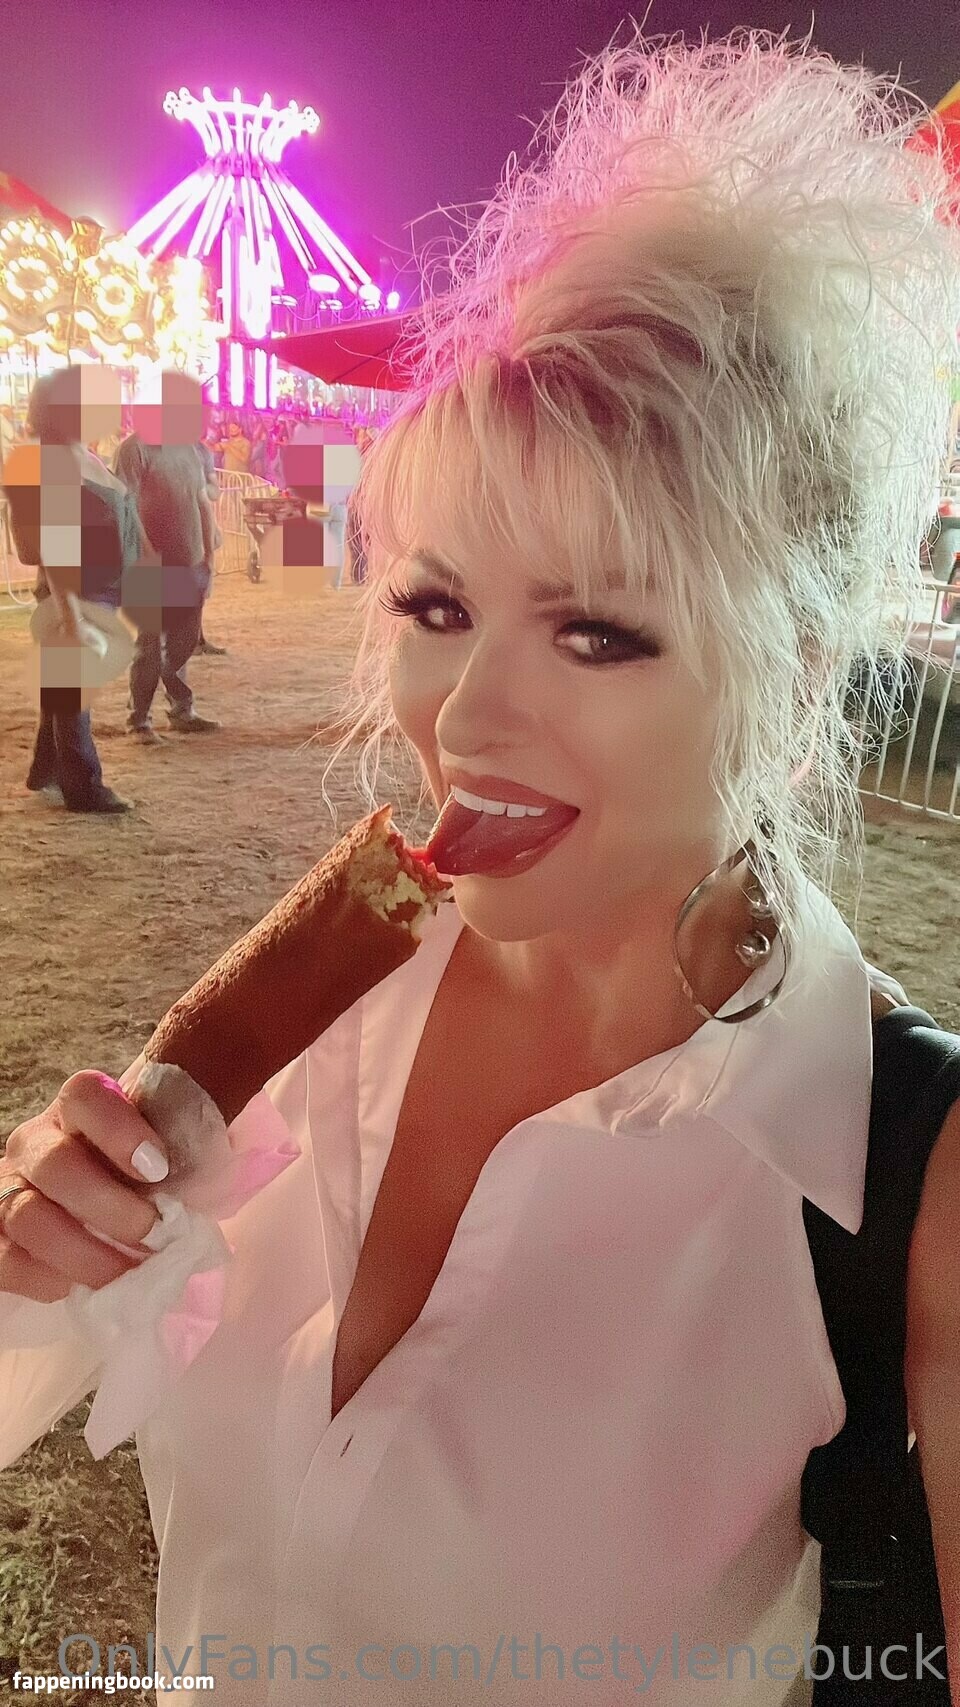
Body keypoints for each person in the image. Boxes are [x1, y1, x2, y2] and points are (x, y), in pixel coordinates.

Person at [2, 32, 960, 1707]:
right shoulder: (317, 1010)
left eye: (598, 632)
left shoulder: (905, 1184)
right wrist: (36, 1260)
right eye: (438, 607)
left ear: (797, 679)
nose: (464, 719)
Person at [1, 366, 138, 813]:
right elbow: (53, 548)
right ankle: (84, 787)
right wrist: (71, 616)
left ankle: (45, 768)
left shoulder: (81, 454)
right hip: (74, 593)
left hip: (99, 588)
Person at [116, 371, 220, 742]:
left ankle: (181, 709)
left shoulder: (190, 448)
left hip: (191, 562)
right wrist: (145, 551)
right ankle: (139, 719)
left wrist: (209, 554)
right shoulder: (134, 449)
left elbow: (202, 502)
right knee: (148, 644)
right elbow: (126, 505)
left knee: (184, 641)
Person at [191, 435, 228, 657]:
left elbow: (214, 491)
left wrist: (199, 487)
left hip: (199, 523)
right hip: (169, 524)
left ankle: (197, 637)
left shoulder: (202, 451)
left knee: (199, 584)